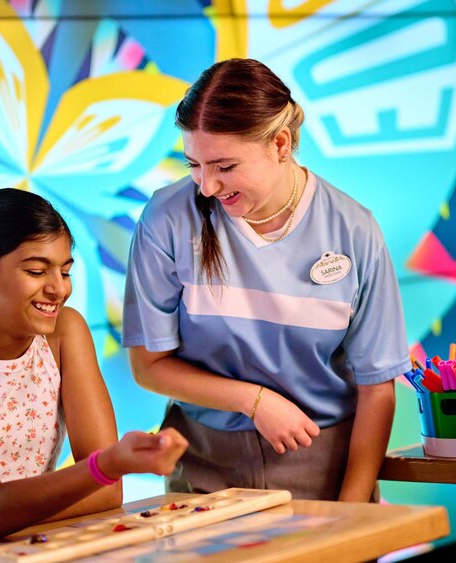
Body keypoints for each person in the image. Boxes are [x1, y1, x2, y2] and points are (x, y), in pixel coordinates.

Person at [122, 58, 410, 503]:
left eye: (225, 166)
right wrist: (255, 401)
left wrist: (352, 510)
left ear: (280, 143)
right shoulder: (166, 218)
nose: (207, 187)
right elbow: (149, 366)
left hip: (323, 462)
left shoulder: (354, 230)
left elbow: (377, 389)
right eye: (194, 165)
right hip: (203, 461)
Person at [0, 188, 187, 557]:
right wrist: (103, 467)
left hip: (17, 539)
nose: (58, 288)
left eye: (65, 270)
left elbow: (107, 492)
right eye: (36, 271)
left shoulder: (66, 332)